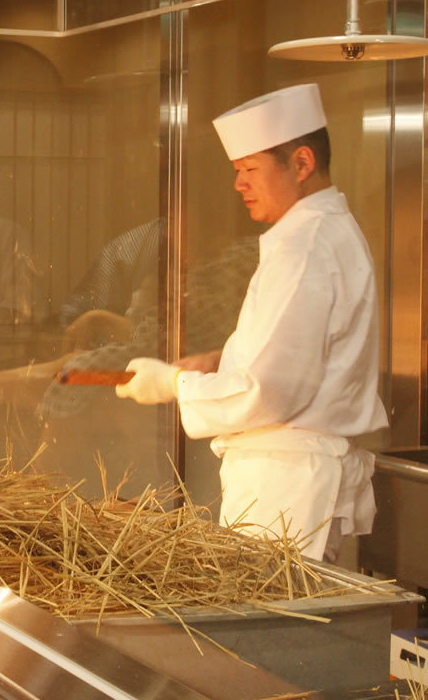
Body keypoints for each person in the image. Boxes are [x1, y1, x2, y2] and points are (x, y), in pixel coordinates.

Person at [114, 83, 386, 560]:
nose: (238, 184)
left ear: (301, 164)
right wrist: (221, 361)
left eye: (249, 170)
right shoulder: (323, 232)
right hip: (292, 486)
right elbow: (304, 351)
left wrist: (174, 383)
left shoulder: (304, 246)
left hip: (289, 495)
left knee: (277, 634)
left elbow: (270, 391)